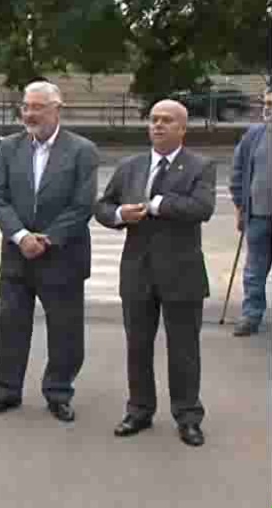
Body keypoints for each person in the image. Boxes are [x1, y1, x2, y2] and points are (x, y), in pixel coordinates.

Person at [95, 99, 216, 447]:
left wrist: (158, 204)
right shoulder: (131, 166)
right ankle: (139, 410)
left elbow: (202, 207)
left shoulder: (200, 166)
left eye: (167, 120)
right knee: (137, 346)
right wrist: (120, 214)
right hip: (138, 271)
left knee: (184, 349)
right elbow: (102, 206)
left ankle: (188, 415)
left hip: (182, 272)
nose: (158, 125)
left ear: (182, 128)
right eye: (153, 120)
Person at [0, 81, 99, 424]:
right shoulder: (9, 147)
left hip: (62, 256)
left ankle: (59, 391)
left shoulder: (82, 150)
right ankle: (7, 390)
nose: (29, 114)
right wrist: (20, 236)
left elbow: (82, 205)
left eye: (37, 107)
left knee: (65, 330)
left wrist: (46, 239)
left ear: (56, 109)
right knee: (12, 326)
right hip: (17, 255)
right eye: (26, 107)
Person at [229, 87, 271, 337]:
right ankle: (251, 315)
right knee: (254, 270)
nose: (268, 109)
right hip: (258, 215)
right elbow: (238, 171)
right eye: (266, 103)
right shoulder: (254, 135)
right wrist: (240, 205)